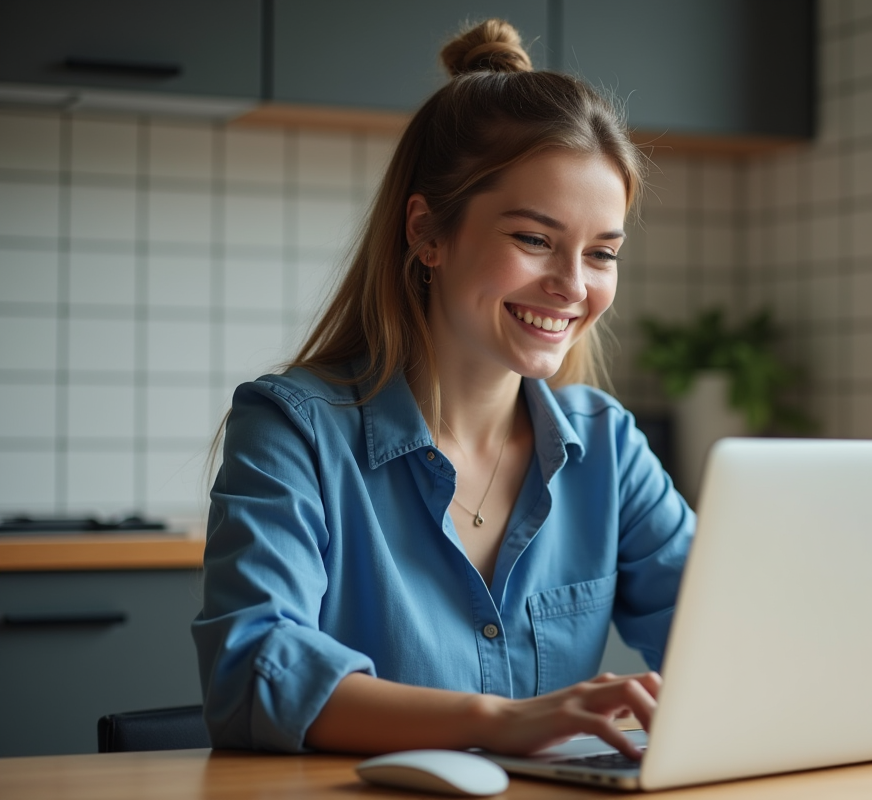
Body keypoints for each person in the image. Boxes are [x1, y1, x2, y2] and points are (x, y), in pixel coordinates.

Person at [192, 19, 694, 759]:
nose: (572, 286)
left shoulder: (609, 446)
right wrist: (500, 722)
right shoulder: (291, 429)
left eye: (602, 253)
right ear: (428, 233)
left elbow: (722, 635)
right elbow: (253, 672)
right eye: (534, 239)